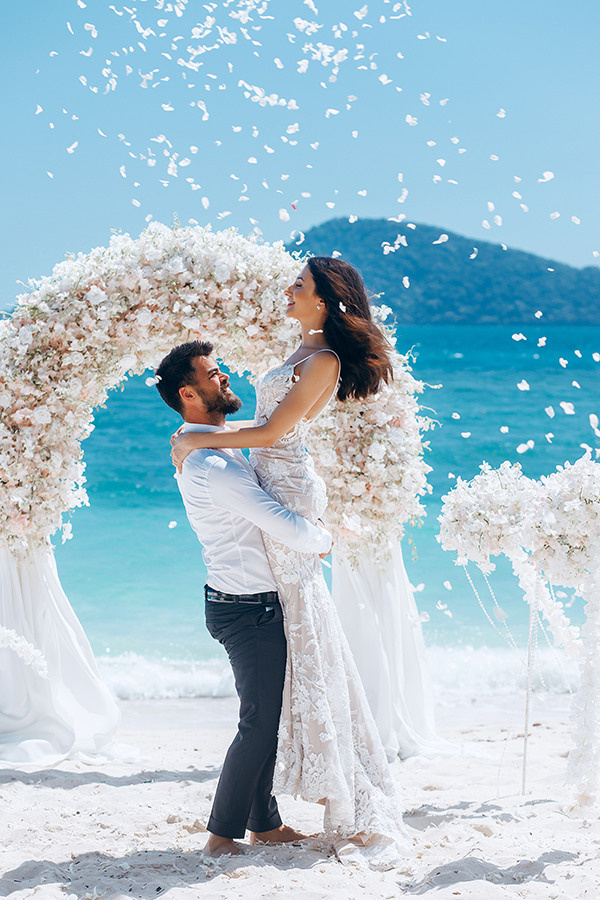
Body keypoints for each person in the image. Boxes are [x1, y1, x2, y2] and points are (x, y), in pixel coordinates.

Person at [170, 258, 409, 866]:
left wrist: (196, 438)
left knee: (297, 627)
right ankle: (261, 822)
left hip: (285, 483)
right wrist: (200, 443)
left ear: (327, 301)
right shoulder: (306, 351)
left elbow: (277, 431)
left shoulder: (323, 359)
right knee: (285, 658)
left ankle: (257, 822)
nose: (288, 291)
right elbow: (270, 428)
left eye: (298, 286)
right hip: (270, 490)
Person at [154, 340, 333, 858]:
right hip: (247, 607)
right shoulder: (215, 466)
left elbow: (255, 434)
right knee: (259, 721)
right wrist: (324, 537)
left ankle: (265, 824)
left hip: (240, 601)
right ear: (190, 392)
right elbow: (280, 525)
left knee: (265, 716)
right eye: (214, 375)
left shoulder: (206, 441)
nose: (225, 378)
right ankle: (221, 834)